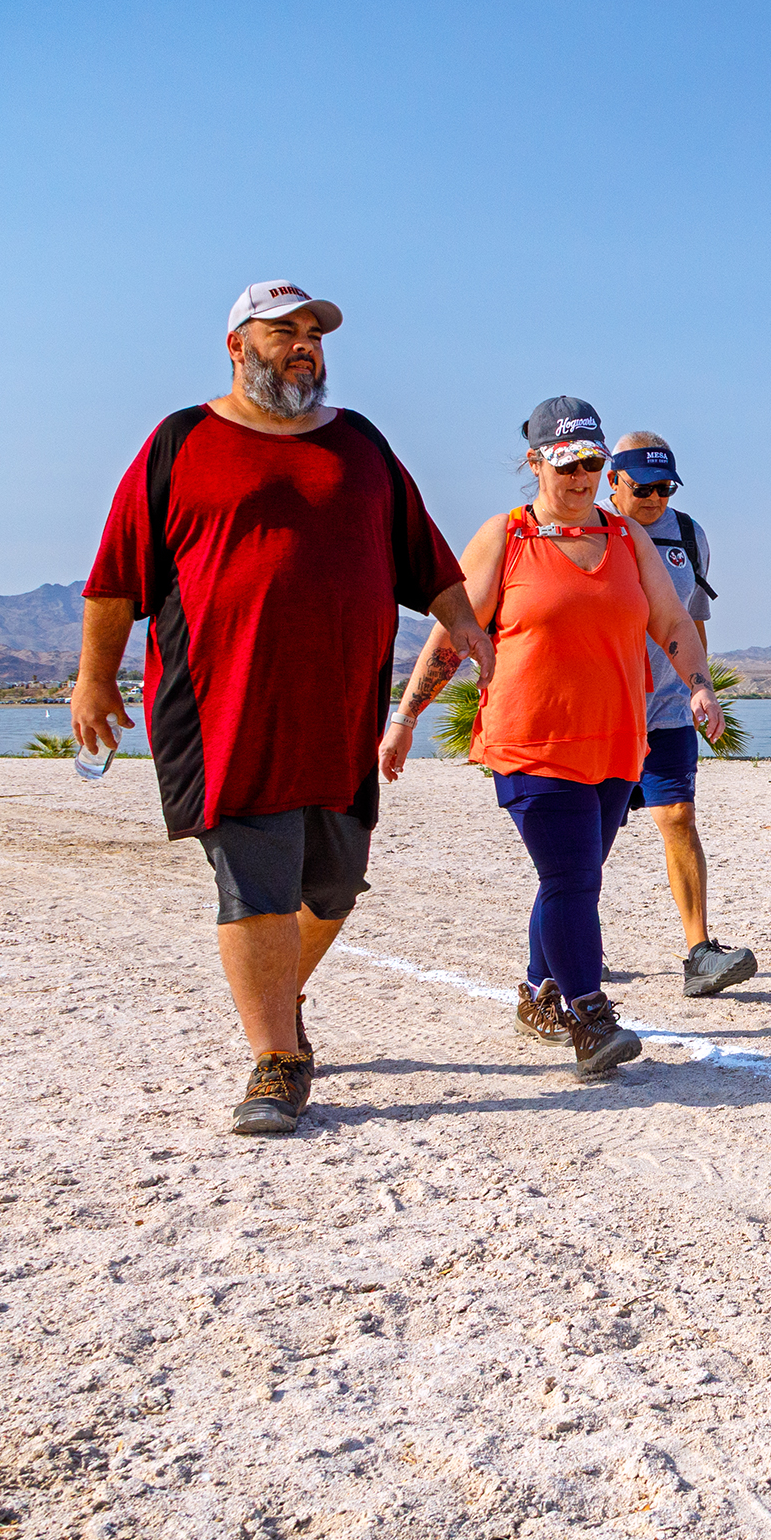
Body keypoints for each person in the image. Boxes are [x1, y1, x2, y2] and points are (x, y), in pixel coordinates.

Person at [75, 281, 483, 1138]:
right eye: (283, 333)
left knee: (332, 884)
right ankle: (277, 1062)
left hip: (338, 708)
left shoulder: (360, 444)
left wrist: (464, 626)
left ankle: (278, 993)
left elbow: (426, 557)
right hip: (220, 706)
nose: (304, 346)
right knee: (254, 878)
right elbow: (116, 577)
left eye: (314, 335)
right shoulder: (181, 442)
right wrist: (94, 678)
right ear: (236, 346)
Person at [384, 397, 723, 1080]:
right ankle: (591, 1018)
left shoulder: (627, 539)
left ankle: (538, 994)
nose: (581, 478)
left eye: (593, 464)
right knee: (570, 876)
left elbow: (672, 621)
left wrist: (699, 683)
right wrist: (406, 717)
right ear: (535, 463)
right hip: (531, 742)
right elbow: (454, 635)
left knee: (577, 877)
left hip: (615, 743)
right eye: (566, 465)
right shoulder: (505, 537)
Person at [605, 431, 760, 999]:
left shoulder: (689, 536)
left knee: (678, 818)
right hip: (605, 713)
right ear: (612, 480)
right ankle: (569, 946)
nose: (655, 500)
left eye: (665, 488)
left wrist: (703, 687)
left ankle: (699, 951)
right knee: (591, 837)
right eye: (643, 488)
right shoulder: (591, 531)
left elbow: (693, 622)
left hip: (668, 708)